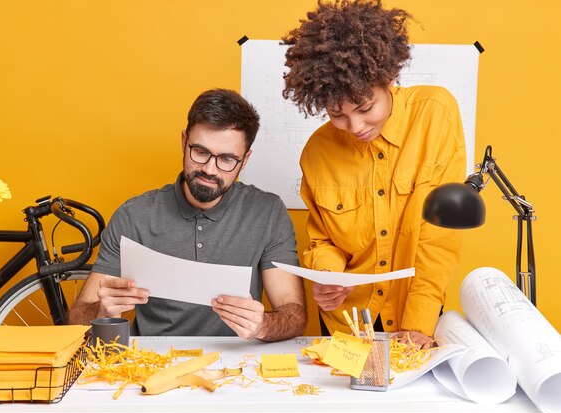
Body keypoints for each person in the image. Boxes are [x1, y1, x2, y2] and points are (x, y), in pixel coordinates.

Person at [282, 0, 466, 347]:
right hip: (347, 321)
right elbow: (323, 240)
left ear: (388, 77)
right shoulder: (317, 151)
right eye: (337, 114)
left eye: (366, 107)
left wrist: (418, 324)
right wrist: (326, 276)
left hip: (415, 313)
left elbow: (439, 237)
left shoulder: (435, 114)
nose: (355, 126)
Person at [69, 89, 306, 342]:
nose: (209, 169)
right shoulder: (134, 216)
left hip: (238, 363)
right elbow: (77, 318)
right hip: (153, 361)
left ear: (245, 160)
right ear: (184, 142)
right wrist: (101, 311)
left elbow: (294, 314)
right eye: (201, 152)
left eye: (227, 159)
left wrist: (264, 326)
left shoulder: (267, 212)